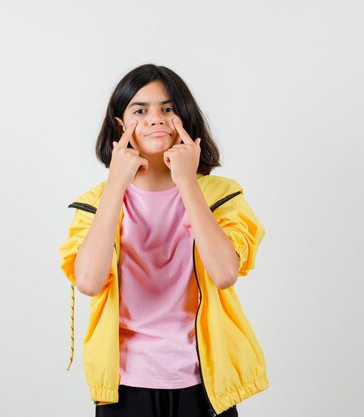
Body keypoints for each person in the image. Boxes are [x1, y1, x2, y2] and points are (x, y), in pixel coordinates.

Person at [59, 64, 268, 417]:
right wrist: (115, 186)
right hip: (125, 386)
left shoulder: (221, 194)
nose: (155, 118)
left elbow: (224, 274)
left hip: (206, 385)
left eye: (168, 109)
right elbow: (90, 282)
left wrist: (186, 180)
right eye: (140, 110)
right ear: (120, 126)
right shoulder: (96, 202)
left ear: (183, 119)